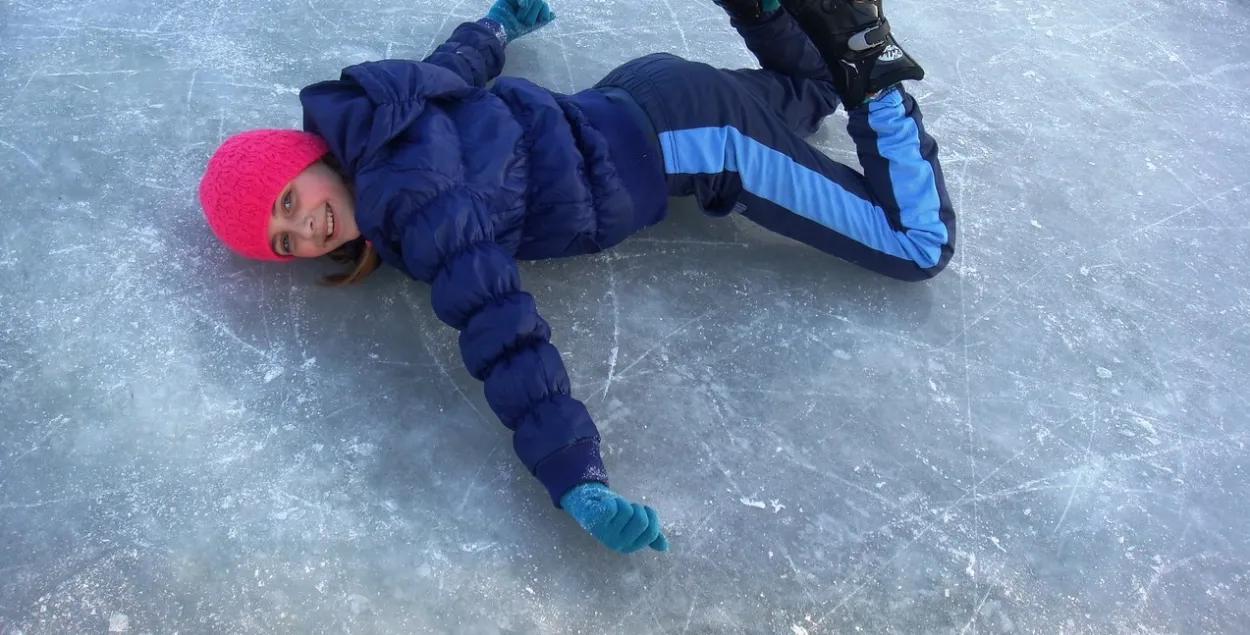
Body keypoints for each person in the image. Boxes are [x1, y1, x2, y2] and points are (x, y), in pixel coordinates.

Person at [196, 0, 955, 554]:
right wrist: (499, 24)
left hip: (694, 138)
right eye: (283, 238)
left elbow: (498, 321)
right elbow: (452, 66)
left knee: (917, 243)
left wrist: (573, 472)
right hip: (644, 90)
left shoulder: (415, 202)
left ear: (307, 158)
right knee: (812, 95)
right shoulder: (382, 113)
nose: (304, 227)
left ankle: (875, 64)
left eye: (290, 199)